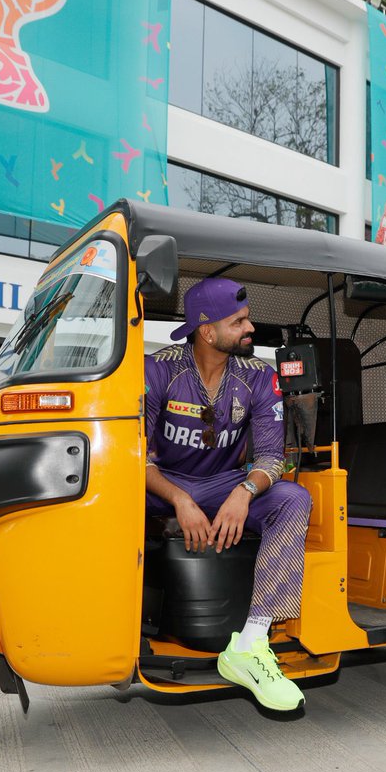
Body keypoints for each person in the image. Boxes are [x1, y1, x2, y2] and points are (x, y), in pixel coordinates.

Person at [144, 278, 312, 712]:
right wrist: (181, 501)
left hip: (225, 483)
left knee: (294, 499)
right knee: (108, 497)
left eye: (247, 318)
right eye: (237, 321)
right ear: (207, 331)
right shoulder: (157, 369)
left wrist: (243, 491)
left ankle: (252, 643)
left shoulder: (260, 376)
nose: (249, 327)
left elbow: (273, 457)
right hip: (162, 483)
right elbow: (134, 460)